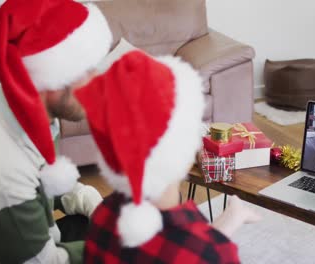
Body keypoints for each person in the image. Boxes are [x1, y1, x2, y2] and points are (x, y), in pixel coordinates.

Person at [75, 50, 260, 263]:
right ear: (186, 149)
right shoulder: (214, 254)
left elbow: (181, 244)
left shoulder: (103, 215)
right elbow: (198, 250)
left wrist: (230, 220)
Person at [0, 0, 113, 263]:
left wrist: (94, 204)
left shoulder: (18, 105)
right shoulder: (1, 171)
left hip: (32, 237)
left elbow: (46, 178)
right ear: (53, 77)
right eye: (87, 70)